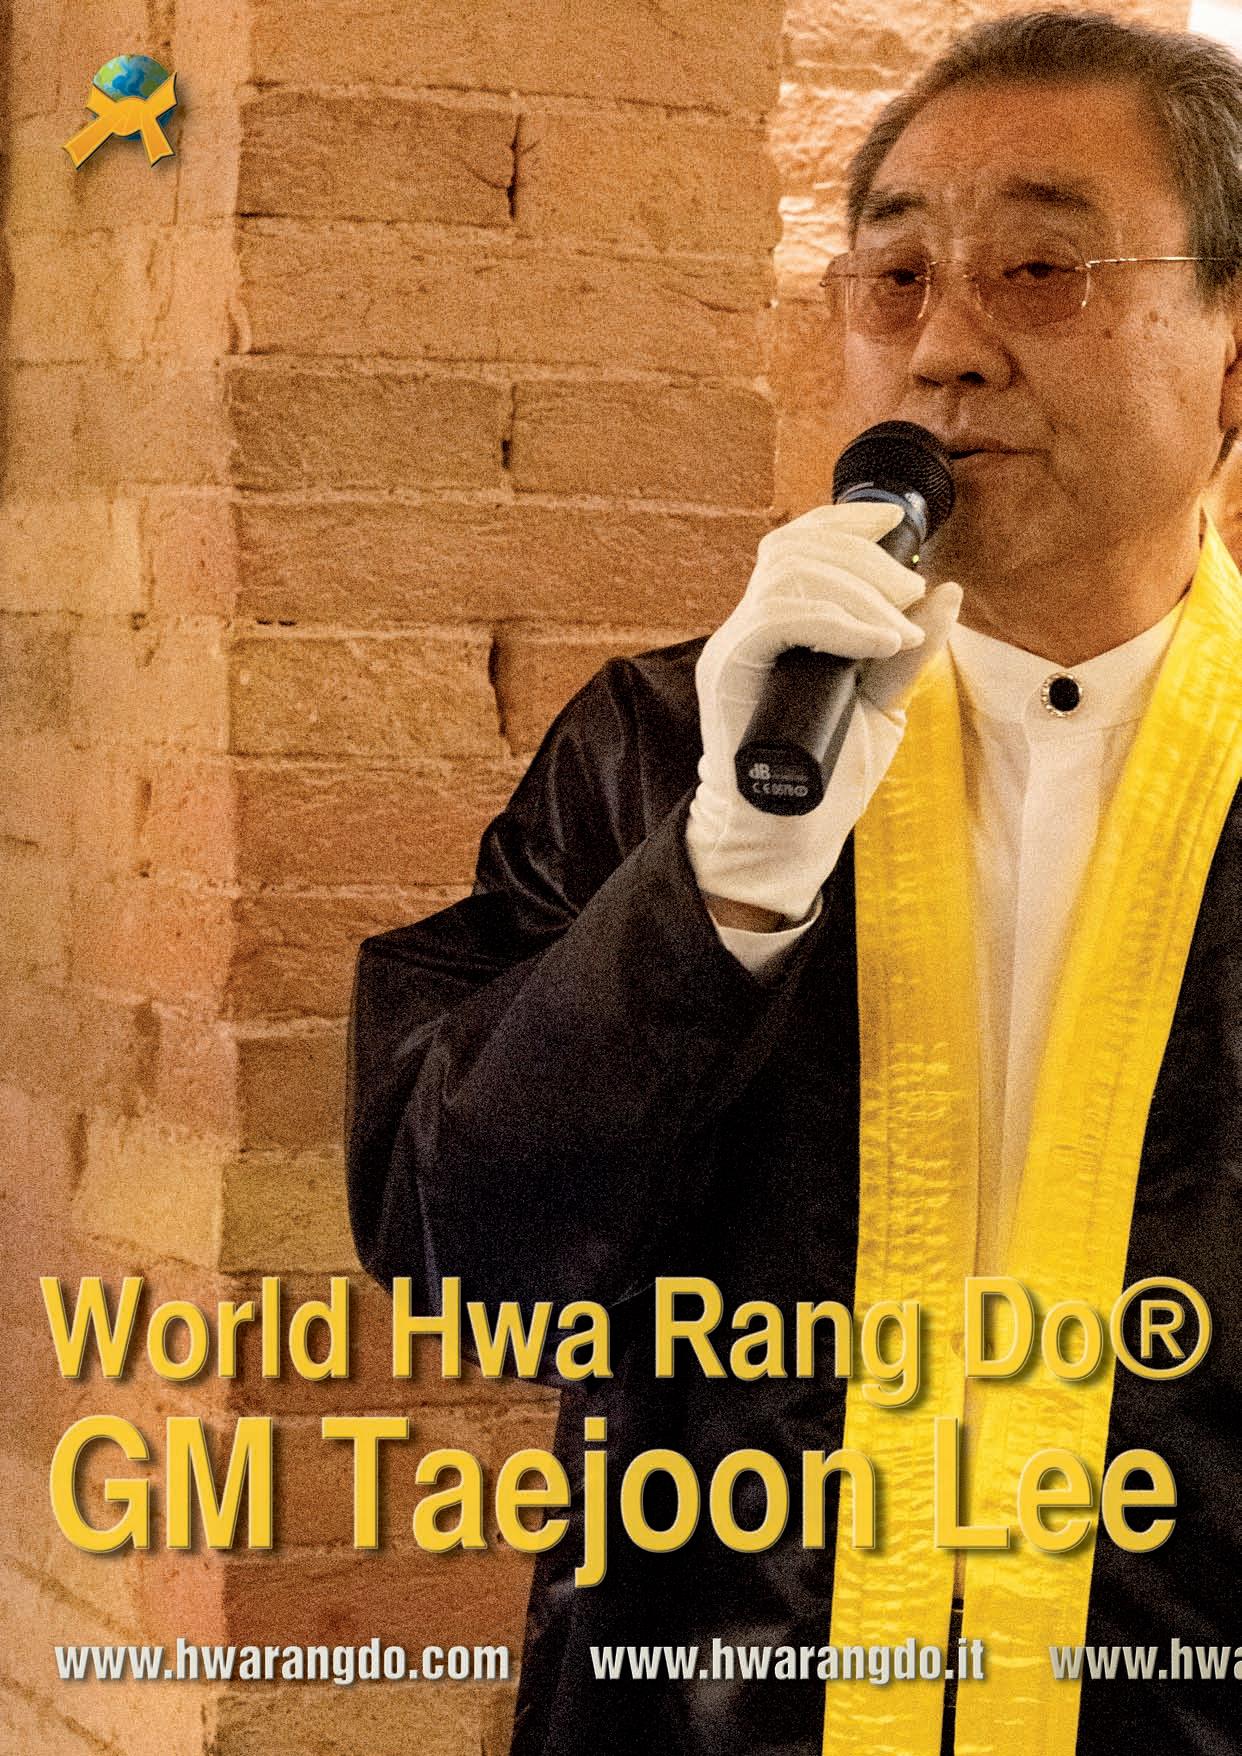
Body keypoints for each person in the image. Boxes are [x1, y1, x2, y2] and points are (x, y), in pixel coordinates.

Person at [346, 12, 1242, 1754]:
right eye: (893, 280)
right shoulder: (660, 745)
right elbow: (463, 1262)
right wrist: (721, 883)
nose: (946, 350)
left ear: (1228, 358)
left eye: (1039, 270)